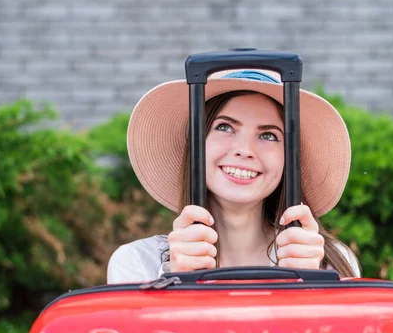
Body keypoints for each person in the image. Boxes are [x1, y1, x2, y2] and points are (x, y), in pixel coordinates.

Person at [107, 69, 361, 283]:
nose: (244, 150)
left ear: (289, 159)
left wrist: (312, 287)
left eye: (268, 135)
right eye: (224, 127)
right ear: (195, 144)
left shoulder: (330, 264)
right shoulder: (139, 266)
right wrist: (177, 283)